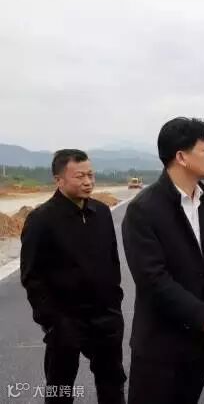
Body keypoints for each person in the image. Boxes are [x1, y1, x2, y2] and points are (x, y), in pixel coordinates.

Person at [122, 117, 204, 404]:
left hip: (200, 342)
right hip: (159, 347)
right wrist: (201, 314)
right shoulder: (143, 210)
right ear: (181, 157)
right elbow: (152, 278)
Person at [20, 149, 126, 403]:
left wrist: (114, 305)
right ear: (59, 180)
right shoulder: (41, 220)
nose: (88, 182)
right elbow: (32, 277)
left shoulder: (102, 213)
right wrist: (52, 321)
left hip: (105, 318)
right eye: (80, 176)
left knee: (113, 384)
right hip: (65, 321)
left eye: (91, 175)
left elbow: (112, 262)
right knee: (60, 388)